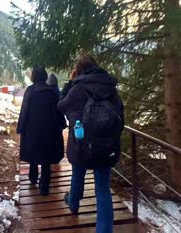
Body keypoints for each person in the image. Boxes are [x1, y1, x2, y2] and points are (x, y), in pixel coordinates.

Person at [58, 55, 124, 233]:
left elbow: (61, 105)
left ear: (78, 71)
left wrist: (70, 83)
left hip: (81, 145)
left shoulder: (77, 89)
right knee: (102, 188)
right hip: (106, 148)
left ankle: (73, 203)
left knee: (78, 172)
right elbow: (121, 121)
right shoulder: (111, 88)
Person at [17, 67, 66, 195]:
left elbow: (25, 110)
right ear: (44, 76)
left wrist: (21, 127)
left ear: (33, 77)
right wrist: (63, 123)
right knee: (46, 157)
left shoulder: (30, 91)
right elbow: (59, 110)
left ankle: (33, 177)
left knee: (34, 152)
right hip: (51, 129)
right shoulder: (52, 91)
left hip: (32, 129)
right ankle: (44, 186)